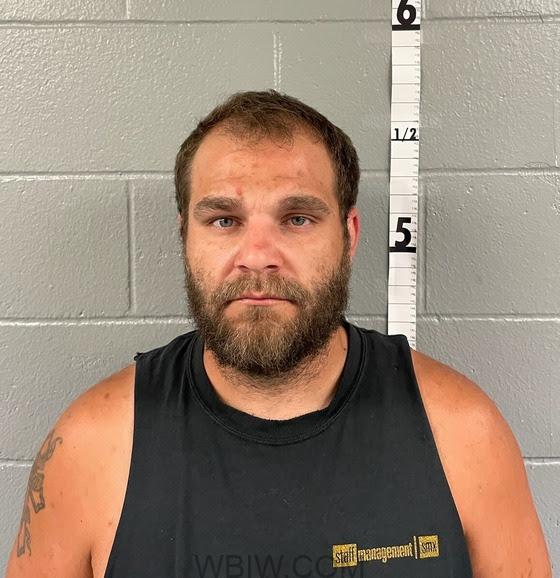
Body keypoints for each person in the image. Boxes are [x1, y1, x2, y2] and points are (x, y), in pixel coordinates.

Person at [5, 90, 552, 578]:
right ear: (185, 236)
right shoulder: (92, 446)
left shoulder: (463, 434)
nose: (258, 257)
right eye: (224, 220)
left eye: (297, 219)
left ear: (349, 236)